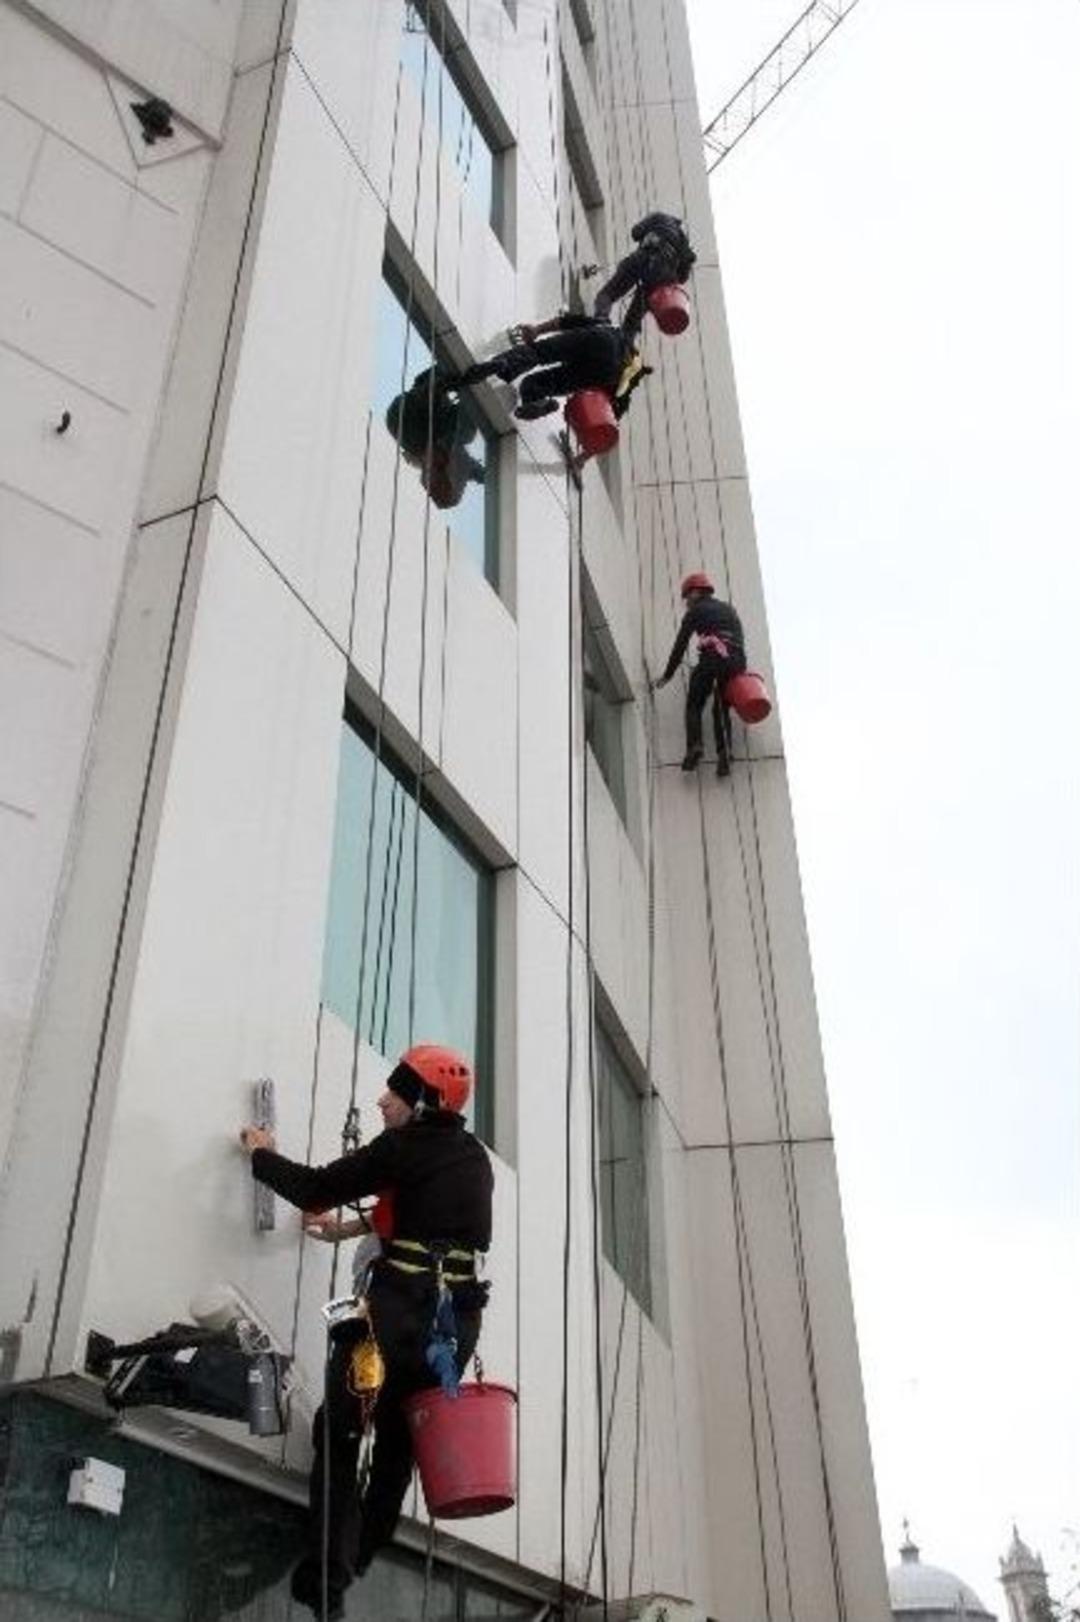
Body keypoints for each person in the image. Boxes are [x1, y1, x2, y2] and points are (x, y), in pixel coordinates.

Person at [239, 1043, 493, 1621]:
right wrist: (345, 1230)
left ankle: (325, 1581)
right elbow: (426, 1216)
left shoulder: (404, 1146)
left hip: (387, 1317)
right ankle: (355, 1562)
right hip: (452, 1332)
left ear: (423, 1103)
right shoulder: (471, 1157)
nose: (382, 1100)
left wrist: (261, 1155)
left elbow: (312, 1187)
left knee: (340, 1431)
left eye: (396, 1093)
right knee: (398, 1448)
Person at [453, 312, 650, 425]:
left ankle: (504, 364)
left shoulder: (614, 330)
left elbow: (566, 321)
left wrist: (538, 330)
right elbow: (609, 421)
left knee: (539, 353)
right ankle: (535, 400)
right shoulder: (624, 382)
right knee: (542, 383)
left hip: (602, 338)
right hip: (606, 373)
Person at [653, 572, 747, 776]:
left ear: (695, 592)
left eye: (687, 597)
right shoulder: (728, 609)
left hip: (713, 657)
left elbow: (680, 645)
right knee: (721, 708)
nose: (686, 602)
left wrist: (668, 675)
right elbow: (739, 639)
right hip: (735, 662)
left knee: (694, 703)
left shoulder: (696, 611)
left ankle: (695, 746)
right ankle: (725, 755)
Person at [384, 365, 486, 509]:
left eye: (437, 467)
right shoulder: (455, 456)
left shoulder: (409, 434)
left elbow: (414, 400)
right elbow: (479, 473)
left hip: (434, 387)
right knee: (464, 435)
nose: (445, 460)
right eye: (444, 466)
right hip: (451, 399)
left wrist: (442, 385)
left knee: (448, 370)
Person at [593, 211, 696, 340]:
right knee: (634, 317)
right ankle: (626, 345)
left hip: (641, 260)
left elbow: (635, 233)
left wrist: (650, 229)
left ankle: (601, 321)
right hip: (660, 280)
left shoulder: (658, 217)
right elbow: (683, 277)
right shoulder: (682, 240)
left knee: (607, 294)